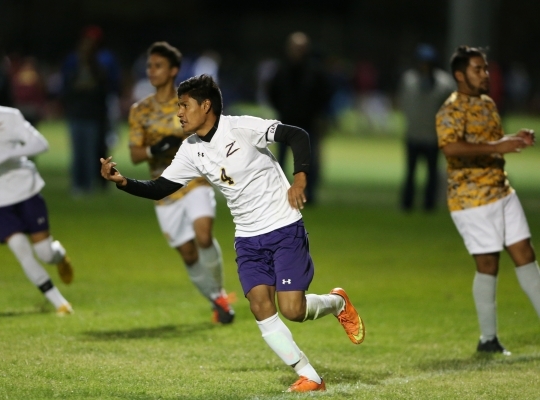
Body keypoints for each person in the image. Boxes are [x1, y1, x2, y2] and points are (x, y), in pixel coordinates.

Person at [100, 74, 365, 392]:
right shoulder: (191, 150)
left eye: (184, 106)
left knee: (293, 310)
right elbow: (161, 188)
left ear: (206, 105)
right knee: (259, 306)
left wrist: (300, 179)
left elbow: (298, 135)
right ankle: (310, 376)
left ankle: (337, 303)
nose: (180, 113)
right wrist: (123, 181)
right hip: (248, 238)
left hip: (283, 226)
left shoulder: (242, 127)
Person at [436, 46, 540, 355]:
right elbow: (451, 148)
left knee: (526, 255)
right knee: (488, 264)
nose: (485, 74)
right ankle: (488, 339)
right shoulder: (451, 109)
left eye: (485, 69)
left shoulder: (487, 103)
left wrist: (512, 138)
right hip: (472, 199)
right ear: (460, 75)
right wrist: (499, 145)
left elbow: (488, 142)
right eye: (478, 69)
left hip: (501, 191)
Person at [0, 66, 74, 315]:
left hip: (24, 188)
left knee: (44, 252)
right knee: (21, 250)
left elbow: (41, 143)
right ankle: (59, 303)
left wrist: (9, 153)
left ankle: (60, 257)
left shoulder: (10, 116)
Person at [128, 42, 234, 324]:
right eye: (149, 66)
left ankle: (221, 294)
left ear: (173, 70)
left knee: (203, 235)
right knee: (188, 254)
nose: (152, 71)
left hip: (195, 180)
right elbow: (135, 154)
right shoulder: (140, 110)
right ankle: (216, 299)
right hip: (163, 187)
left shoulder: (189, 103)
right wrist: (155, 149)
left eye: (158, 66)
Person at [267, 32, 332, 205]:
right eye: (295, 47)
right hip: (286, 122)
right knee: (280, 162)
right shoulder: (281, 70)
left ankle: (309, 194)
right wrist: (282, 109)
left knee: (309, 161)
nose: (298, 51)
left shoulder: (315, 71)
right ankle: (279, 193)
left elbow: (325, 94)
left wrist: (317, 114)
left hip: (308, 123)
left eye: (301, 48)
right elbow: (272, 92)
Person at [398, 44, 455, 212]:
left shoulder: (444, 83)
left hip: (433, 135)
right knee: (410, 172)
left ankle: (429, 205)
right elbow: (404, 103)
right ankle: (407, 204)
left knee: (431, 173)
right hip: (413, 133)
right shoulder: (409, 80)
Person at [61, 26, 112, 196]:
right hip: (78, 114)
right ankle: (78, 185)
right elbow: (66, 89)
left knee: (90, 153)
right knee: (78, 153)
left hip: (91, 116)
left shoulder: (98, 69)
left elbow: (104, 91)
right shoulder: (74, 68)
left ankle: (88, 185)